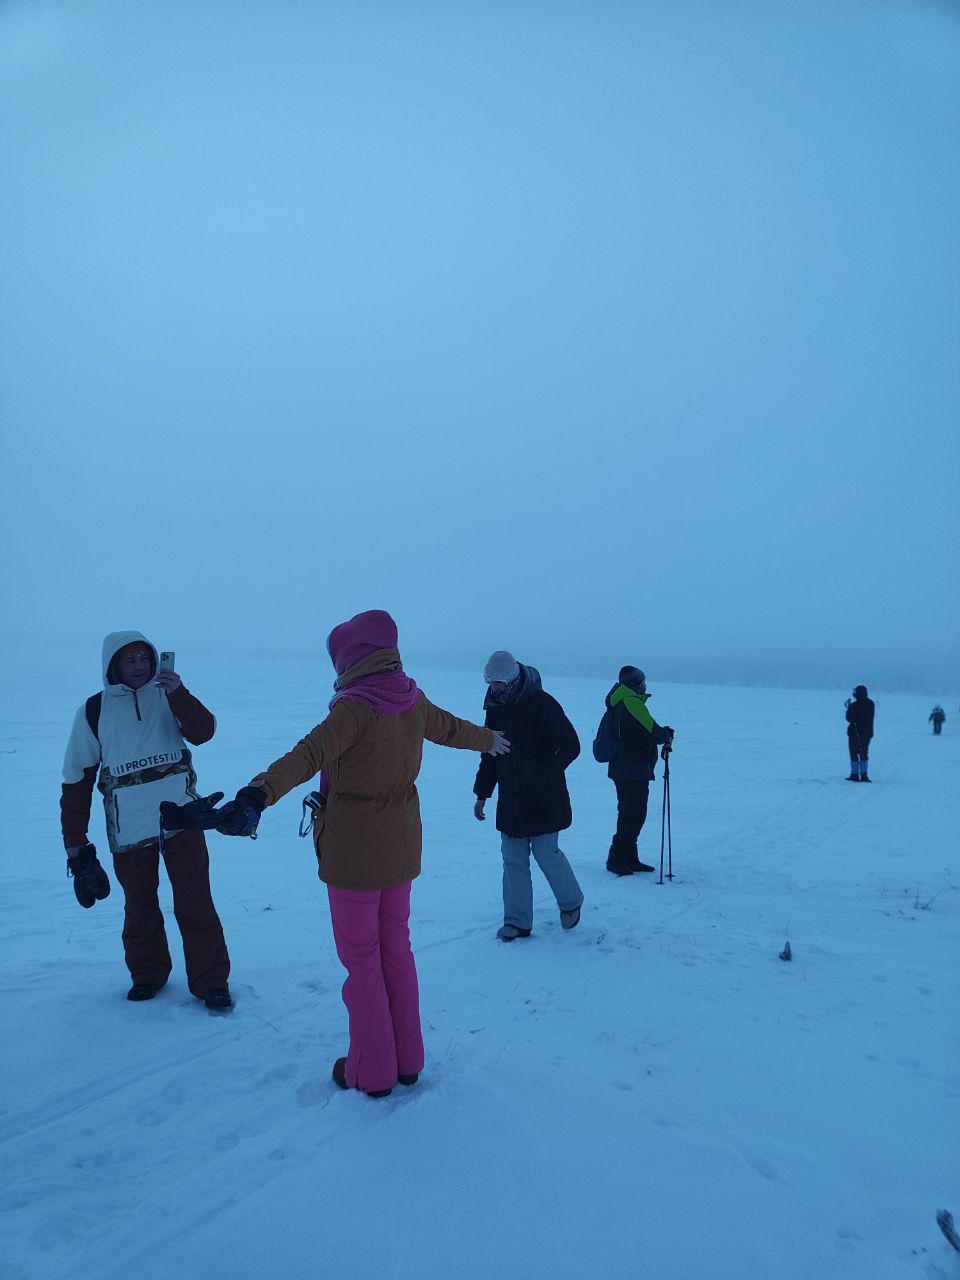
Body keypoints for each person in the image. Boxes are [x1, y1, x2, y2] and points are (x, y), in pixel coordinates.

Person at [215, 610, 507, 1099]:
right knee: (397, 951)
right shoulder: (410, 699)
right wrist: (489, 739)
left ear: (350, 659)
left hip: (355, 853)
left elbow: (306, 756)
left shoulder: (354, 709)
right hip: (401, 846)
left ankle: (371, 1071)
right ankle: (408, 1060)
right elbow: (453, 729)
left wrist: (255, 795)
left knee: (363, 962)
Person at [60, 632, 232, 1008]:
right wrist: (75, 840)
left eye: (144, 658)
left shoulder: (168, 696)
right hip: (130, 827)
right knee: (139, 905)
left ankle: (211, 981)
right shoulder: (94, 710)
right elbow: (76, 779)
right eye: (130, 660)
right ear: (113, 667)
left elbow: (204, 732)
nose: (139, 666)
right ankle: (148, 973)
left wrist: (179, 693)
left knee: (196, 902)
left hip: (182, 819)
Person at [472, 651, 583, 941]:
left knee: (547, 854)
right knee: (513, 859)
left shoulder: (543, 704)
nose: (494, 687)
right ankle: (518, 922)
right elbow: (490, 753)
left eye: (498, 682)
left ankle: (571, 902)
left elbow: (570, 745)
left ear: (512, 679)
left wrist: (545, 772)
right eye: (490, 682)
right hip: (512, 799)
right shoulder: (495, 709)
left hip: (545, 798)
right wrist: (483, 792)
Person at [594, 666, 675, 875]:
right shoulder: (631, 703)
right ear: (637, 683)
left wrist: (661, 734)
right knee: (633, 814)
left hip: (626, 766)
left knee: (631, 813)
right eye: (643, 681)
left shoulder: (621, 701)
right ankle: (617, 859)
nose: (645, 685)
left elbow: (644, 730)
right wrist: (666, 735)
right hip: (631, 767)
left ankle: (629, 857)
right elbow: (651, 731)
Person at [845, 684, 875, 782]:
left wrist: (849, 708)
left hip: (855, 733)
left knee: (854, 754)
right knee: (864, 753)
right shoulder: (871, 704)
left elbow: (849, 718)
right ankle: (863, 775)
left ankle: (855, 775)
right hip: (867, 734)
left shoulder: (855, 705)